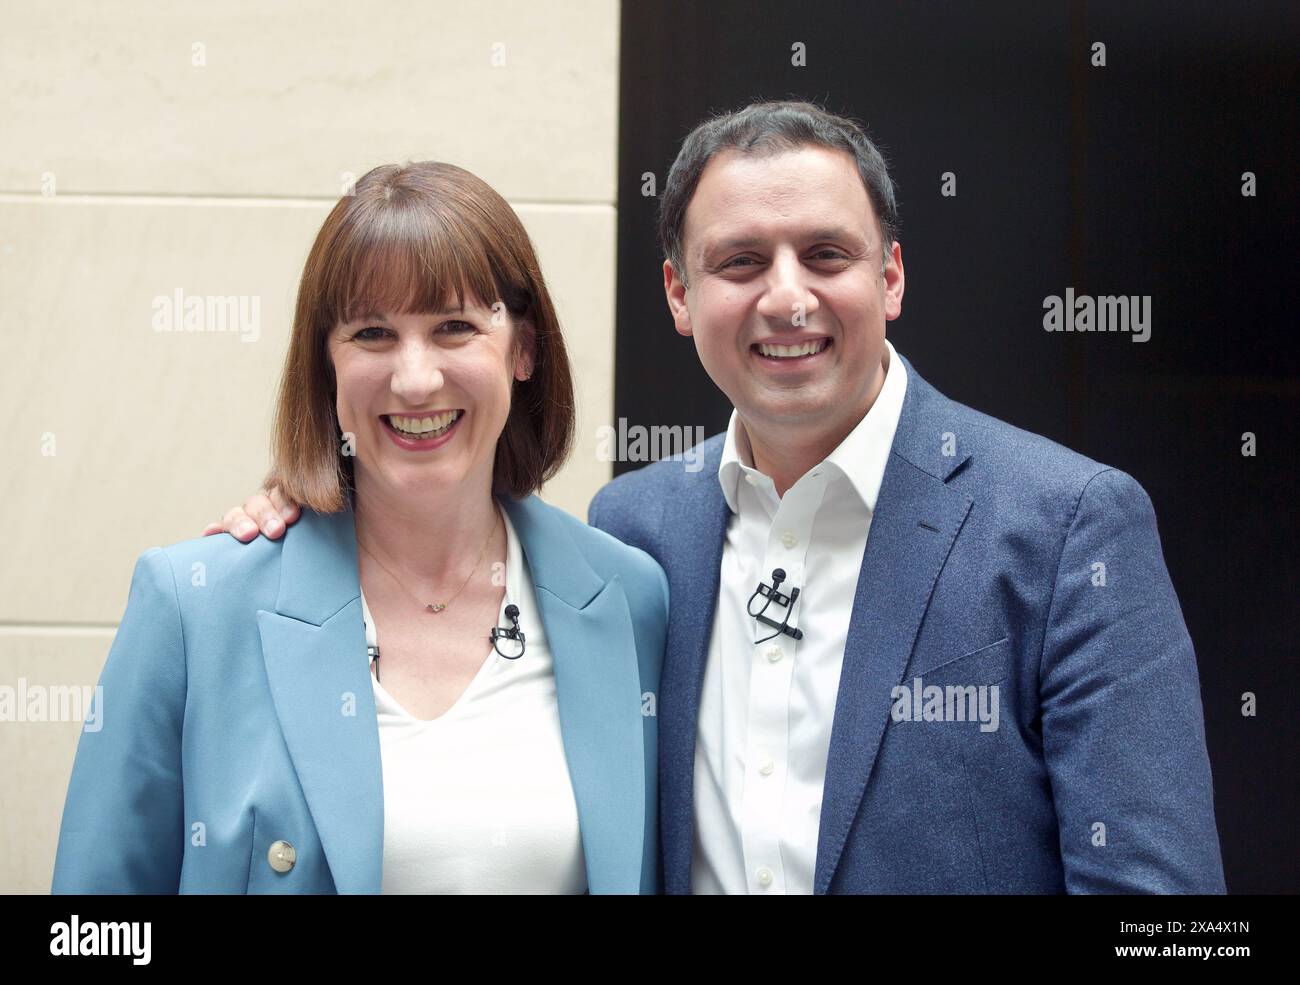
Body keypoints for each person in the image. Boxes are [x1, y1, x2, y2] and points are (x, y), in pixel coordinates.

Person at [207, 102, 1226, 894]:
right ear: (679, 297)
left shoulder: (1068, 525)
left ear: (892, 276)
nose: (786, 296)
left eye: (825, 253)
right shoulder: (634, 541)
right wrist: (320, 506)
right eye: (739, 262)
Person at [52, 161, 667, 895]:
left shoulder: (629, 599)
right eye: (373, 333)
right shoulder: (196, 605)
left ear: (524, 349)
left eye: (455, 328)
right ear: (328, 365)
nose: (415, 379)